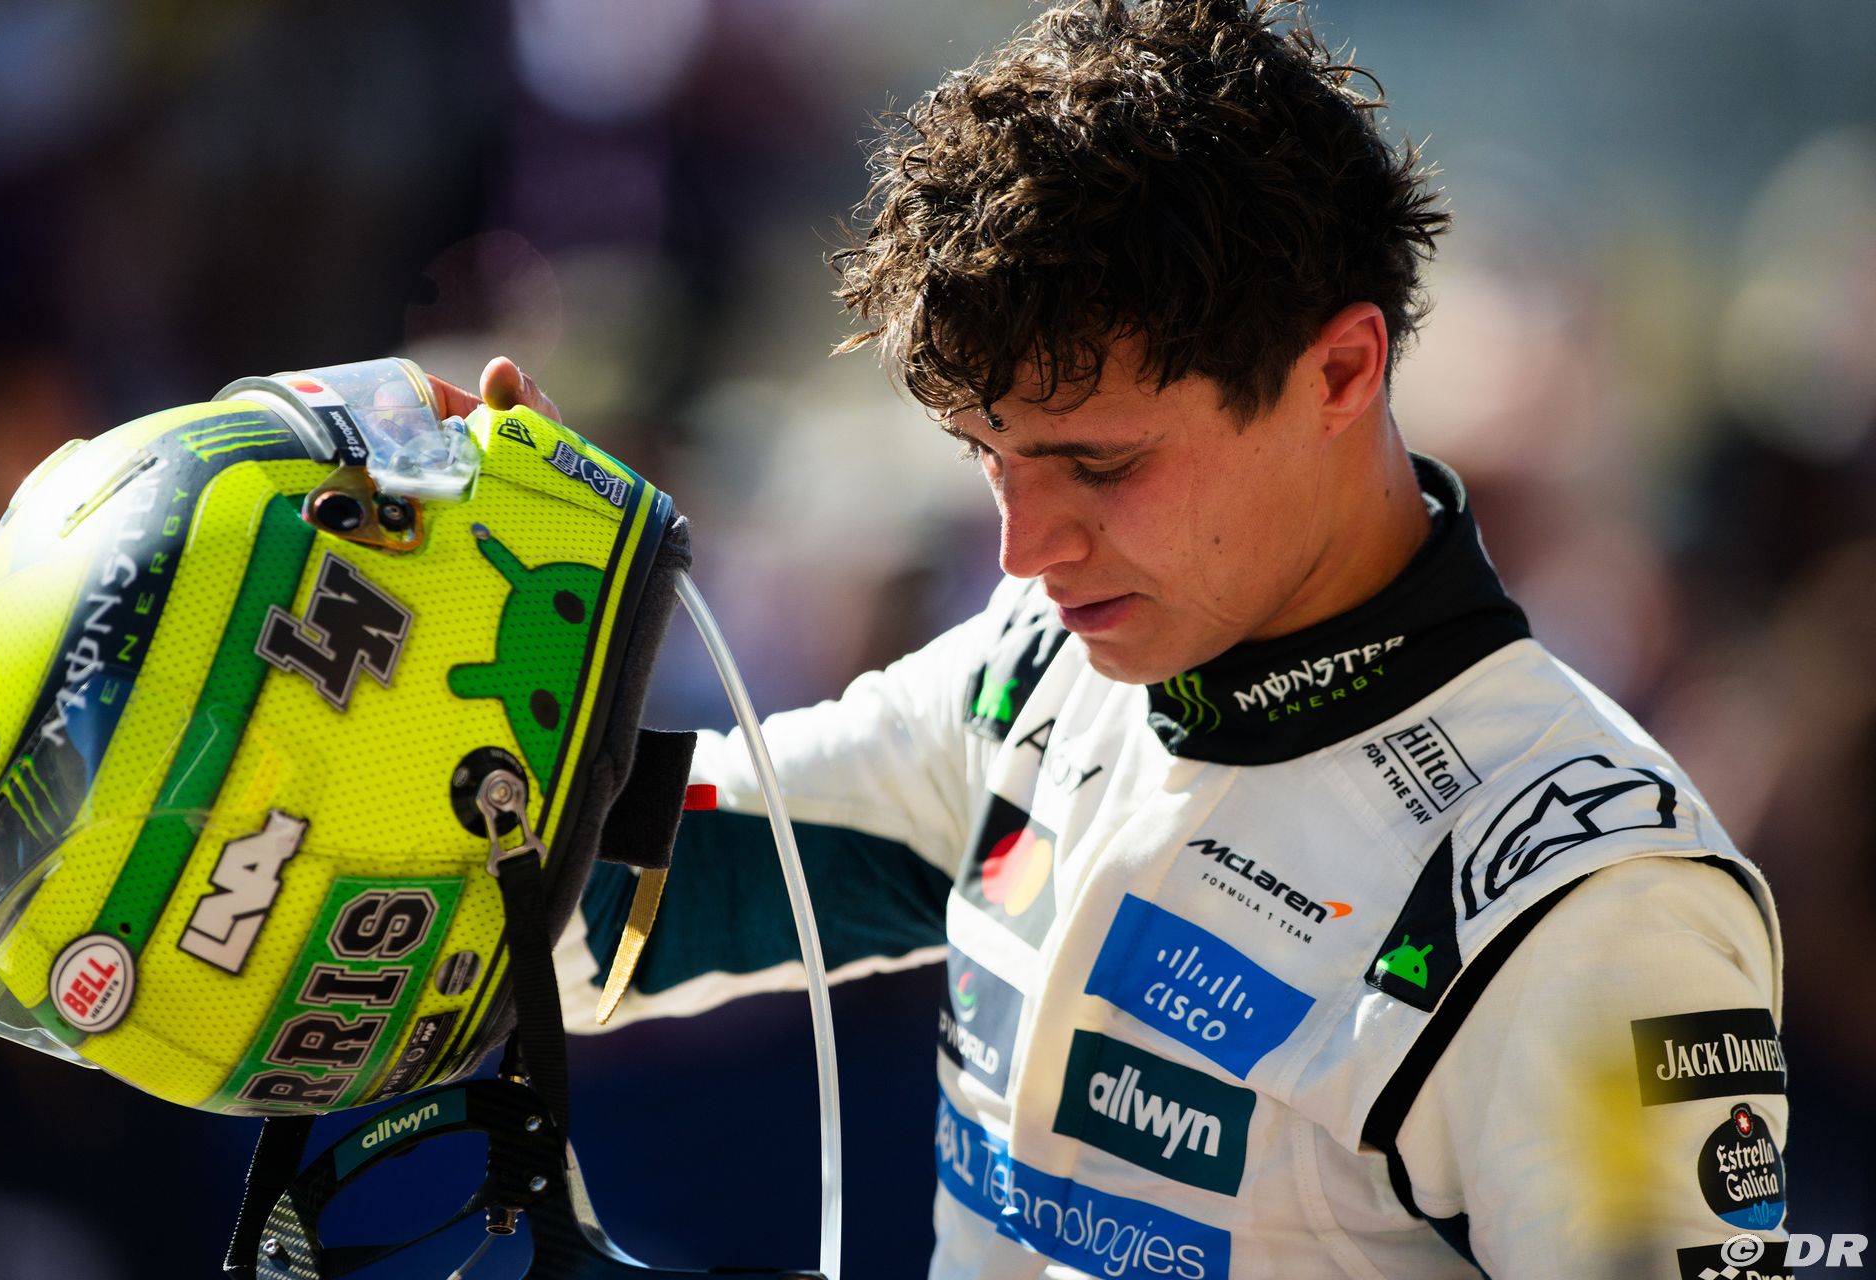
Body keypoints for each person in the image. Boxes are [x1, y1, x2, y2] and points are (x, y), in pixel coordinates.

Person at [443, 2, 1787, 1276]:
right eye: (991, 458)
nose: (1024, 549)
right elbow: (587, 900)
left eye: (1100, 465)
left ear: (1342, 371)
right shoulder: (1033, 673)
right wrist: (471, 654)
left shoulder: (1597, 909)